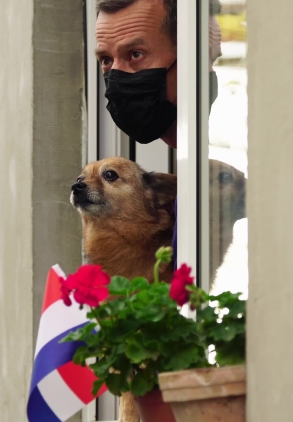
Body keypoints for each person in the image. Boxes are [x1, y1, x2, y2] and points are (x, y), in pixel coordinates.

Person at [95, 0, 223, 269]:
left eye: (136, 54)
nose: (114, 84)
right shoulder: (185, 170)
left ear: (193, 62)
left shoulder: (217, 172)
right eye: (106, 60)